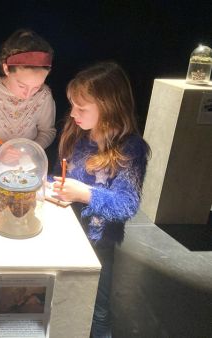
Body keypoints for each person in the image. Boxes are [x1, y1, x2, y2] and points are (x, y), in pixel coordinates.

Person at [52, 62, 150, 338]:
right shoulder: (77, 134)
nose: (72, 113)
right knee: (64, 298)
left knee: (98, 307)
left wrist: (83, 193)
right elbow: (63, 176)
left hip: (98, 242)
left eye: (81, 108)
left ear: (109, 106)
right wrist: (47, 184)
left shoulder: (130, 148)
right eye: (72, 105)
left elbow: (126, 204)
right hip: (67, 232)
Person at [0, 29, 56, 194]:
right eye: (22, 86)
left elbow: (48, 131)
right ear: (6, 69)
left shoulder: (44, 95)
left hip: (29, 174)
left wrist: (30, 149)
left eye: (36, 87)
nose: (28, 95)